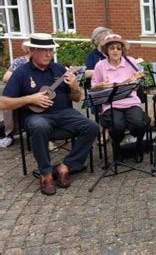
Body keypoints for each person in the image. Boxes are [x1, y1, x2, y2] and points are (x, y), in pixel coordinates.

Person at [2, 33, 99, 196]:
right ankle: (46, 174)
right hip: (36, 117)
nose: (48, 54)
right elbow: (3, 102)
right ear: (32, 51)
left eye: (51, 50)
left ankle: (65, 166)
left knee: (91, 126)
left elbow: (76, 98)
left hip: (64, 113)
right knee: (39, 127)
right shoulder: (22, 73)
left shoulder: (59, 69)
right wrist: (30, 98)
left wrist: (75, 86)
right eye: (43, 50)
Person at [91, 34, 148, 164]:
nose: (115, 51)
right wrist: (100, 85)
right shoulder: (100, 65)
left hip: (131, 102)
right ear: (106, 51)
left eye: (118, 48)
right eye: (112, 48)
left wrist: (137, 79)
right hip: (111, 104)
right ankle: (116, 149)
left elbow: (139, 82)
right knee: (117, 126)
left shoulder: (130, 62)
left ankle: (139, 147)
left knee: (139, 123)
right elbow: (93, 87)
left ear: (122, 50)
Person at [0, 42, 30, 148]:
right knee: (8, 97)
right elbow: (5, 77)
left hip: (37, 93)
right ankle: (9, 134)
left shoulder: (47, 62)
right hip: (22, 93)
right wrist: (22, 78)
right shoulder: (19, 61)